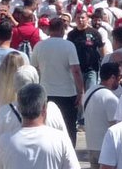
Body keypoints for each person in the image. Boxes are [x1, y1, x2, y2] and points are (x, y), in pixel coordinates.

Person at [31, 16, 84, 145]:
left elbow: (34, 69)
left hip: (46, 92)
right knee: (69, 125)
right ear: (62, 29)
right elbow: (76, 70)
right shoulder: (69, 46)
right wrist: (80, 91)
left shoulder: (39, 46)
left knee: (46, 125)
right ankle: (69, 152)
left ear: (49, 29)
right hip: (67, 93)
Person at [83, 61, 121, 169]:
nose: (120, 81)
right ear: (112, 77)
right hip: (105, 149)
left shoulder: (90, 91)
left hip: (92, 145)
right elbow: (116, 127)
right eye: (119, 77)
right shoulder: (110, 98)